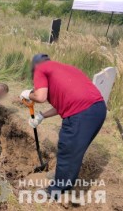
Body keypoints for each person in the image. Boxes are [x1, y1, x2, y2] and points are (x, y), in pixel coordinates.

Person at [20, 54, 106, 198]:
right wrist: (41, 116)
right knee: (74, 151)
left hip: (81, 114)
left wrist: (28, 93)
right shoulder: (67, 68)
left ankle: (56, 190)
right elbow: (65, 102)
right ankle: (62, 176)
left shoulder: (40, 68)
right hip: (98, 109)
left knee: (67, 149)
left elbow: (40, 96)